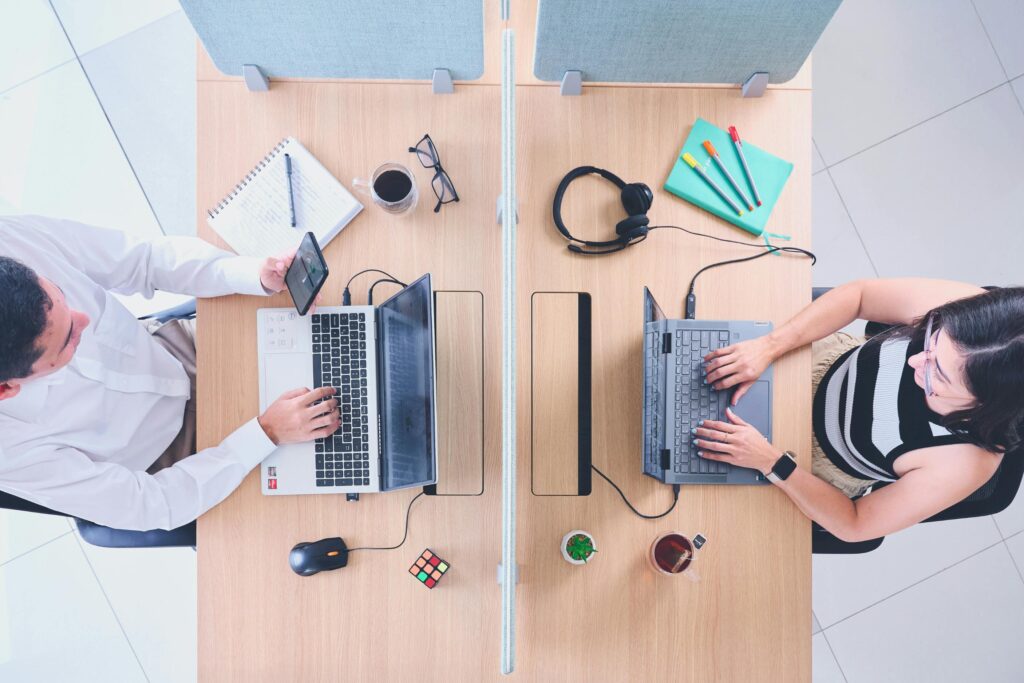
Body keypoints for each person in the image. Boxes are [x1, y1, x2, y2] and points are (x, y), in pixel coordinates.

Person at [0, 215, 339, 531]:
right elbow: (148, 505)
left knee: (343, 344)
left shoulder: (9, 239)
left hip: (173, 351)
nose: (84, 320)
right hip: (182, 458)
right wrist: (265, 433)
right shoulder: (7, 448)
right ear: (7, 389)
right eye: (68, 339)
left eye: (60, 295)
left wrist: (251, 274)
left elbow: (142, 259)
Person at [695, 279, 1024, 542]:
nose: (914, 360)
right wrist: (769, 346)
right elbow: (861, 296)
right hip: (813, 362)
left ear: (984, 406)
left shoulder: (969, 462)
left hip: (807, 466)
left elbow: (855, 525)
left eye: (937, 373)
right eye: (930, 340)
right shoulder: (968, 311)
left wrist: (771, 463)